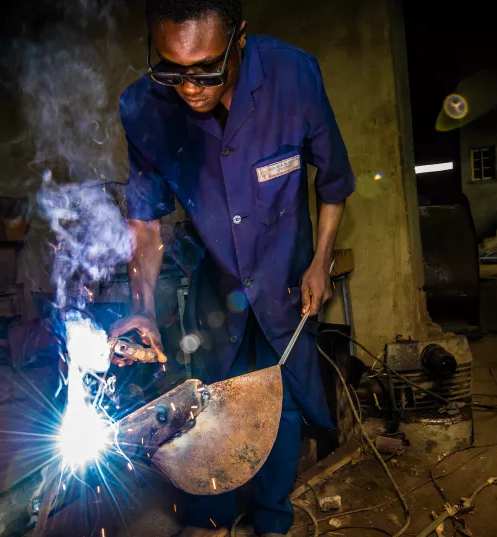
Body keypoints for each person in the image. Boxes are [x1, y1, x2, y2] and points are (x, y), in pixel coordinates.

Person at [111, 1, 356, 535]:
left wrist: (320, 261)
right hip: (215, 283)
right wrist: (141, 308)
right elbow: (146, 224)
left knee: (280, 399)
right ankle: (209, 518)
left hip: (286, 277)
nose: (190, 86)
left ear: (239, 38)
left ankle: (272, 520)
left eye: (206, 69)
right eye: (172, 69)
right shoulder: (143, 108)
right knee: (208, 400)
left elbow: (333, 183)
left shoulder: (293, 76)